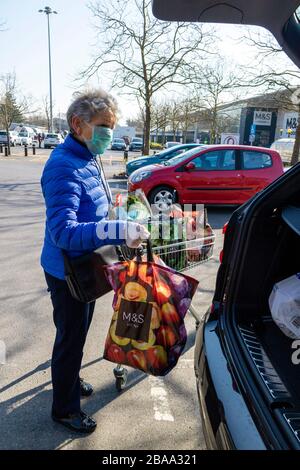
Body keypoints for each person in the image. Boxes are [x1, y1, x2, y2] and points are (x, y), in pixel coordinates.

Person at [40, 89, 149, 433]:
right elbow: (64, 232)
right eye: (103, 126)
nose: (109, 134)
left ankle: (69, 379)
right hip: (66, 271)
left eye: (112, 127)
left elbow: (95, 206)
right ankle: (65, 408)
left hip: (87, 265)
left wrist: (121, 211)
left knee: (78, 331)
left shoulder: (88, 156)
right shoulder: (62, 165)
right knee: (70, 338)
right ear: (77, 124)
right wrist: (116, 228)